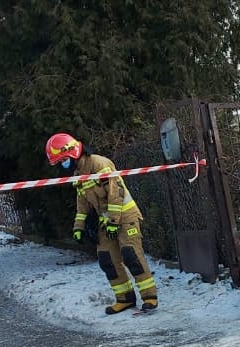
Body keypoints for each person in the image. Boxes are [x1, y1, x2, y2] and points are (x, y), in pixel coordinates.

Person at [45, 132, 158, 314]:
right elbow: (82, 204)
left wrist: (114, 221)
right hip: (106, 221)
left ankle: (149, 296)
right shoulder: (78, 174)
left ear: (71, 152)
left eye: (62, 161)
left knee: (131, 255)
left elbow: (116, 193)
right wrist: (78, 228)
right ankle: (125, 298)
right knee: (107, 259)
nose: (62, 166)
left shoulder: (99, 164)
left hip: (125, 217)